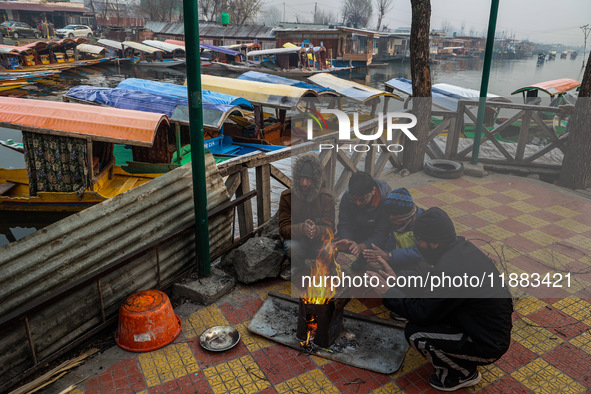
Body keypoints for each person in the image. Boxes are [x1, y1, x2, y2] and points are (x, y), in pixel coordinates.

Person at [368, 207, 513, 391]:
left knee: (416, 333)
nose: (418, 244)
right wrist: (399, 281)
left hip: (488, 344)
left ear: (434, 243)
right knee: (424, 312)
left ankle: (461, 374)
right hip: (480, 326)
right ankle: (459, 357)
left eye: (419, 240)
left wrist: (388, 294)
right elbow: (433, 283)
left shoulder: (452, 269)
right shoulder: (457, 250)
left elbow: (421, 314)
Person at [278, 153, 335, 280]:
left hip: (318, 241)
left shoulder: (327, 198)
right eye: (301, 178)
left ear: (316, 180)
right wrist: (302, 228)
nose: (304, 183)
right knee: (290, 247)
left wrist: (317, 230)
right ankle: (297, 265)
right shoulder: (287, 197)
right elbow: (283, 229)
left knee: (330, 247)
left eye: (308, 179)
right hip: (299, 240)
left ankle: (326, 265)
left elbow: (331, 229)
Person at [334, 171, 391, 251]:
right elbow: (344, 224)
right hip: (356, 232)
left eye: (363, 199)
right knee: (328, 247)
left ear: (373, 191)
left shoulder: (386, 200)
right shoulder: (347, 197)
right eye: (354, 199)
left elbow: (382, 234)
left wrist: (360, 247)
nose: (358, 203)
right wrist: (347, 241)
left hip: (376, 237)